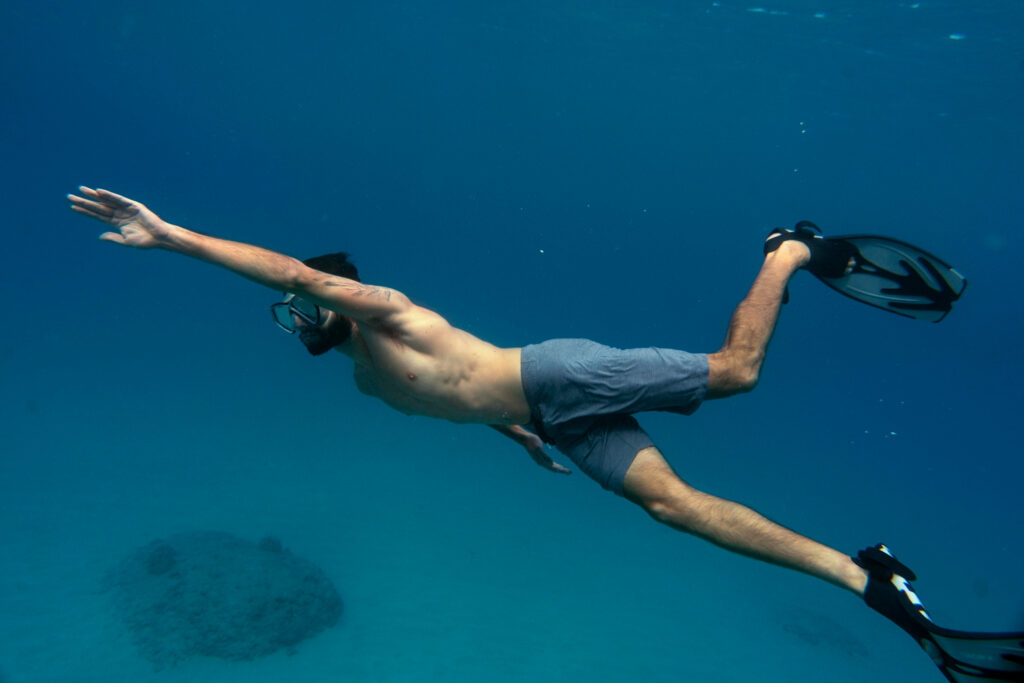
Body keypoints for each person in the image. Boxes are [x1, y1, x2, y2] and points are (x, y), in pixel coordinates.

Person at [69, 186, 1020, 682]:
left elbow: (291, 269)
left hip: (554, 371)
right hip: (541, 415)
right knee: (675, 510)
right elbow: (455, 402)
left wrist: (176, 237)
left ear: (326, 301)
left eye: (297, 311)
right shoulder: (367, 383)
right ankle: (872, 579)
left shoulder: (386, 314)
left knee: (736, 374)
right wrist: (519, 439)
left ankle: (789, 253)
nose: (296, 326)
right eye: (288, 320)